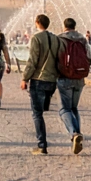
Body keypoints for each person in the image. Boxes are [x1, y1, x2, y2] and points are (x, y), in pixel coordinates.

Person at [20, 14, 60, 155]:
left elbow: (32, 61)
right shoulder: (55, 38)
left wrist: (25, 78)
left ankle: (42, 145)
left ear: (37, 23)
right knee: (43, 110)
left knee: (37, 114)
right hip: (51, 80)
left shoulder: (36, 38)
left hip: (39, 79)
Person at [55, 18, 89, 154]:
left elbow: (55, 57)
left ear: (64, 27)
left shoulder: (60, 39)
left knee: (64, 109)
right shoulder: (83, 39)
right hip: (79, 78)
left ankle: (74, 134)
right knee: (74, 108)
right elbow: (89, 57)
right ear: (75, 26)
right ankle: (78, 135)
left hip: (64, 77)